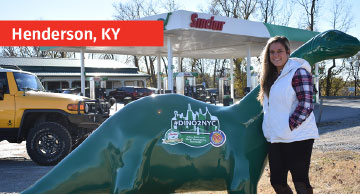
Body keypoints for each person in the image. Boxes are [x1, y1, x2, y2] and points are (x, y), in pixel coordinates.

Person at [257, 36, 319, 194]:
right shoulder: (270, 77)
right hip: (276, 137)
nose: (276, 55)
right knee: (277, 182)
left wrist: (289, 126)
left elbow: (306, 104)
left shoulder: (298, 72)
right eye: (272, 52)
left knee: (300, 182)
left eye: (280, 51)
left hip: (298, 136)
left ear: (288, 52)